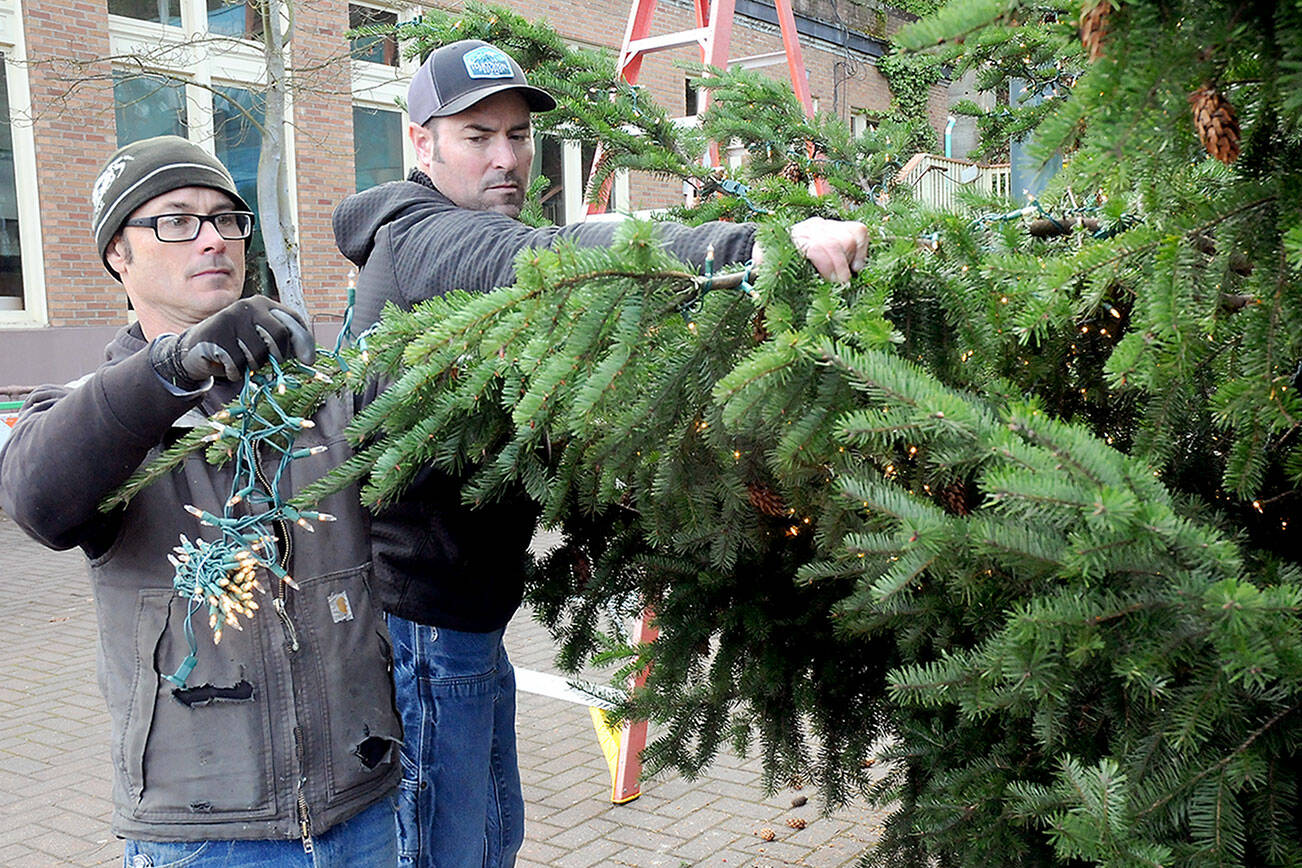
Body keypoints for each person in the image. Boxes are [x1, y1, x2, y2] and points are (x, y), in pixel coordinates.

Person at [331, 39, 870, 868]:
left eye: (518, 134)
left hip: (462, 626)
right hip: (422, 630)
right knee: (447, 854)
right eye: (478, 136)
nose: (507, 158)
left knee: (489, 842)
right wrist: (743, 247)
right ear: (421, 142)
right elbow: (545, 256)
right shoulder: (422, 241)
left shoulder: (460, 243)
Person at [0, 135, 402, 868]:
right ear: (117, 254)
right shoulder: (90, 416)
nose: (213, 238)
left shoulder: (321, 399)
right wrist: (174, 365)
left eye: (226, 217)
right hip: (205, 836)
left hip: (365, 809)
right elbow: (38, 499)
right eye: (176, 220)